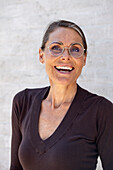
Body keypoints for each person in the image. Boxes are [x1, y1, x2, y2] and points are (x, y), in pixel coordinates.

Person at [10, 20, 113, 170]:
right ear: (41, 55)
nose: (65, 56)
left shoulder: (101, 110)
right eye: (56, 48)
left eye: (75, 49)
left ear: (84, 59)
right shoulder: (23, 102)